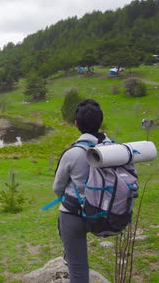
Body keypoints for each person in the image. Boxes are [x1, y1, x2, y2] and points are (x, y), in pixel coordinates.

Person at [52, 99, 109, 282]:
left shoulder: (73, 153)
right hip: (105, 212)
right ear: (100, 122)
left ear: (76, 124)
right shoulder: (112, 149)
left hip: (74, 216)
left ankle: (70, 255)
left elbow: (57, 188)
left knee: (78, 271)